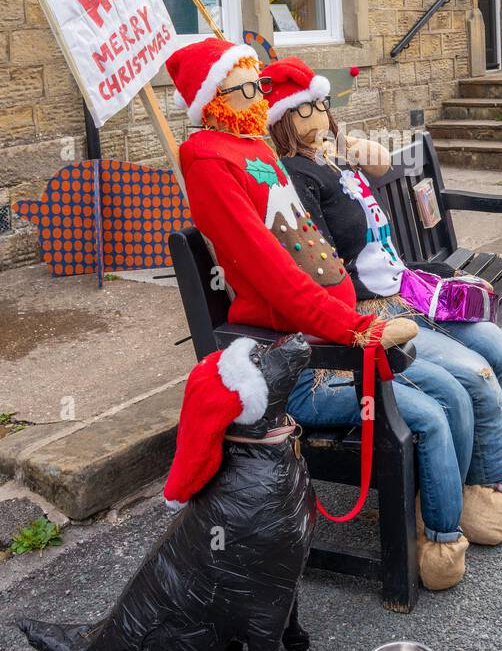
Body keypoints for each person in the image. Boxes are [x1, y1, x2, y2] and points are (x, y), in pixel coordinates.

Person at [162, 35, 472, 590]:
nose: (259, 95)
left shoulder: (254, 148)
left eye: (259, 84)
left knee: (451, 388)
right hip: (307, 356)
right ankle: (441, 539)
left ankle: (454, 508)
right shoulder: (207, 157)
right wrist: (353, 327)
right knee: (429, 411)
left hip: (335, 330)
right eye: (246, 87)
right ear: (214, 99)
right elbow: (268, 268)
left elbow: (308, 246)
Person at [261, 56, 502, 543]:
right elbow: (324, 268)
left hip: (406, 291)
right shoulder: (296, 178)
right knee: (474, 375)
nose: (320, 116)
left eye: (322, 105)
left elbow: (383, 229)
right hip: (370, 310)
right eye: (306, 110)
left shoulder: (335, 165)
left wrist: (435, 272)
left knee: (498, 351)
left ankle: (496, 470)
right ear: (284, 124)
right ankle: (469, 492)